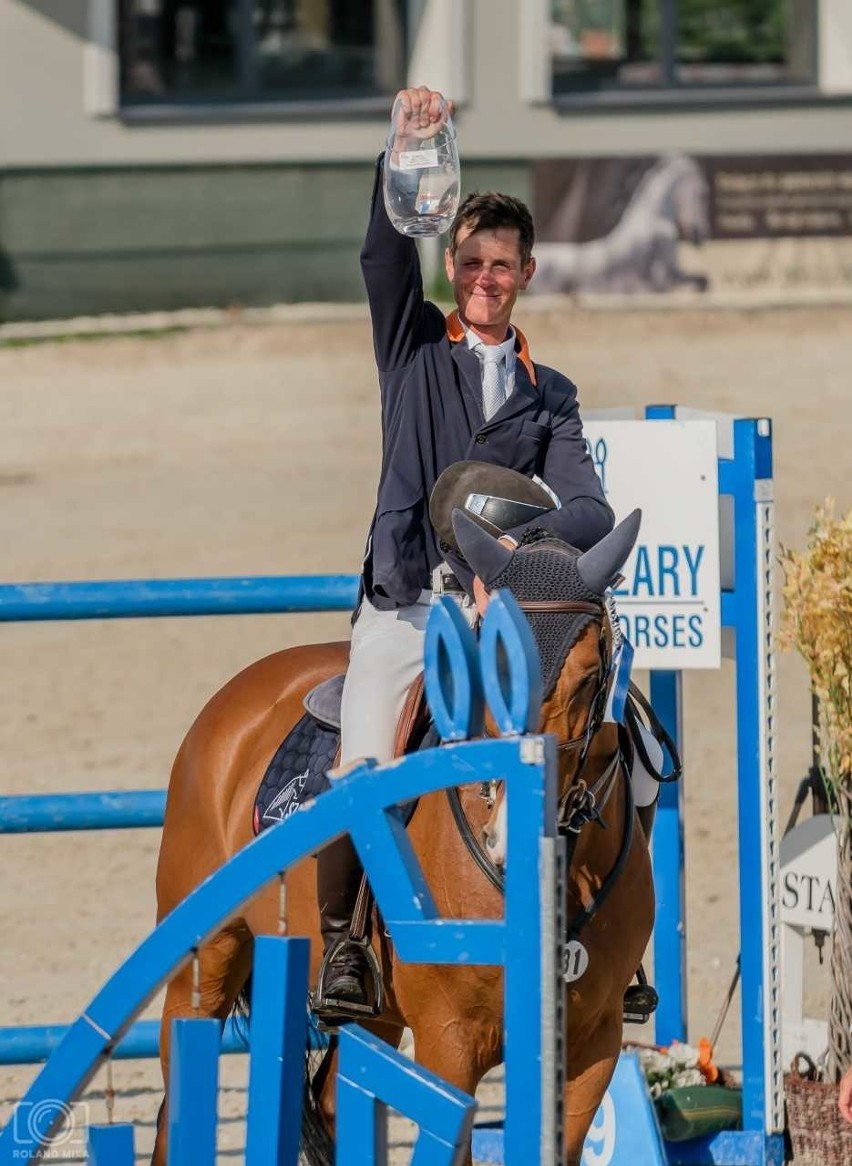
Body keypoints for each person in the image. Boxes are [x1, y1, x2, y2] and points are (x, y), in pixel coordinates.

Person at [316, 86, 613, 1012]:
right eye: (473, 261)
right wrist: (403, 153)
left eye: (503, 265)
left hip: (502, 619)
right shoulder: (411, 348)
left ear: (528, 273)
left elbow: (592, 513)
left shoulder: (551, 393)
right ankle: (345, 948)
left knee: (603, 742)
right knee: (363, 761)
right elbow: (378, 253)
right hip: (408, 604)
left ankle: (611, 946)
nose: (486, 277)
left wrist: (512, 567)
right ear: (452, 264)